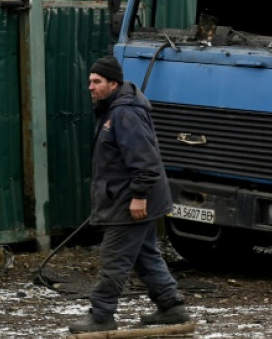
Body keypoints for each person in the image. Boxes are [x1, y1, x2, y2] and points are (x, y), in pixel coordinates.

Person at [68, 56, 190, 334]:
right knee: (145, 254)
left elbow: (145, 161)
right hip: (126, 197)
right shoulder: (112, 110)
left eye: (96, 82)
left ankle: (101, 315)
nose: (90, 87)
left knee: (115, 257)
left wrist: (139, 196)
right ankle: (171, 307)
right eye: (89, 81)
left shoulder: (125, 114)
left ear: (114, 83)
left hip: (132, 200)